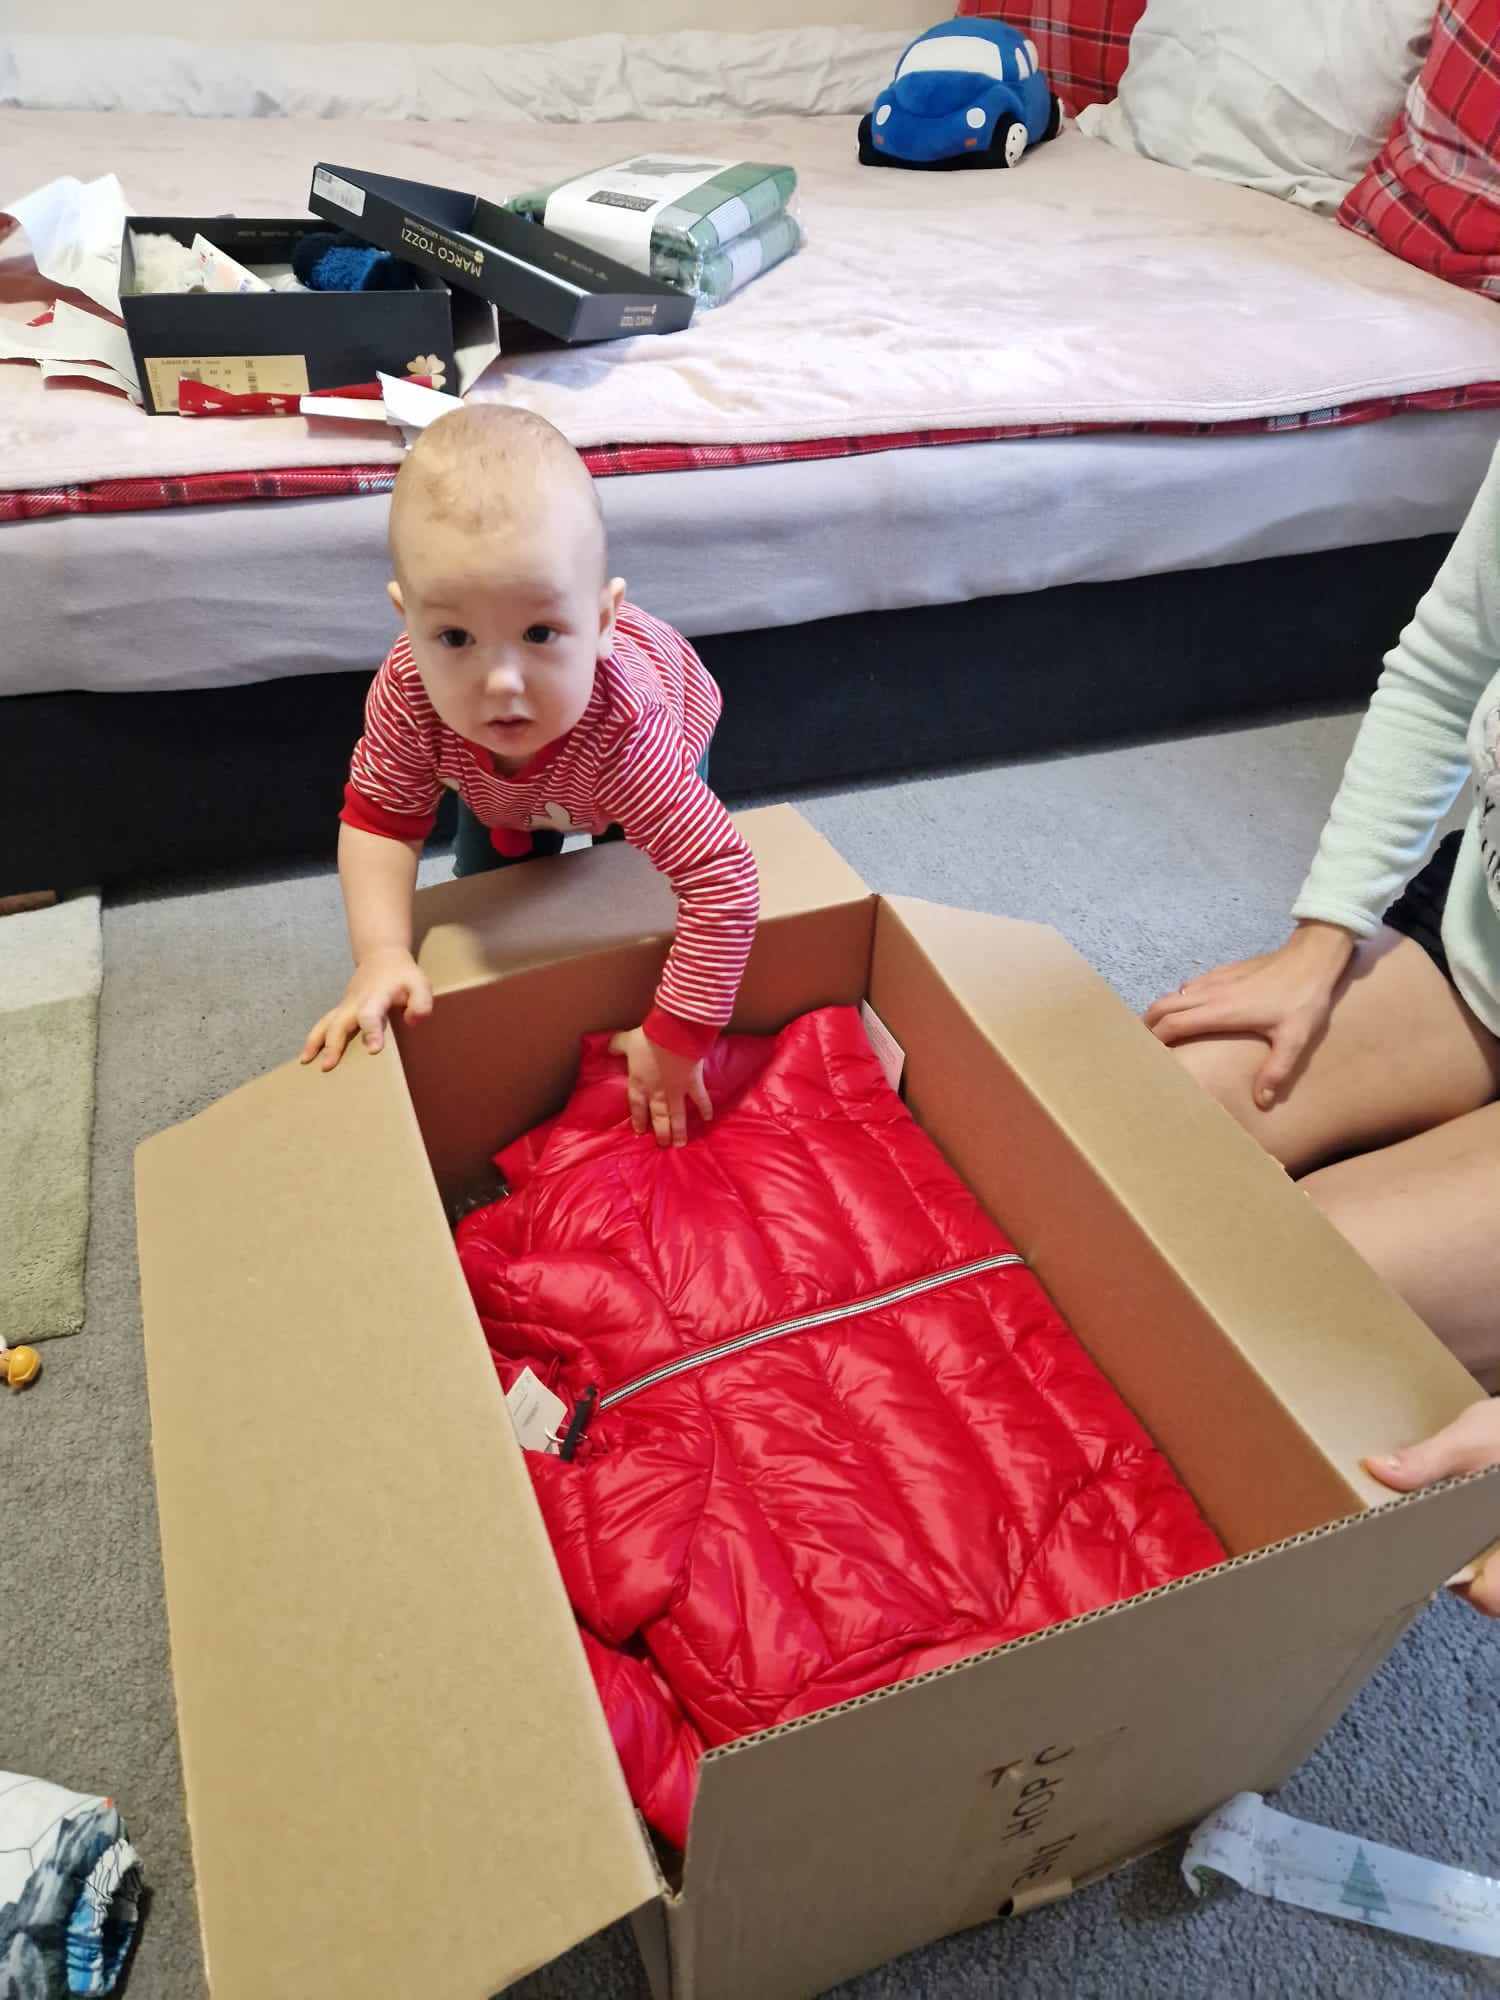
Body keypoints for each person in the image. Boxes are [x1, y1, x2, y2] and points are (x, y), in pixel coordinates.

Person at [1145, 440, 1500, 1613]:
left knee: (1297, 1313)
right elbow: (1448, 666)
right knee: (1128, 1129)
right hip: (1481, 938)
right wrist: (1324, 932)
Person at [301, 404, 758, 1147]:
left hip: (631, 750)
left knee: (628, 890)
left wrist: (678, 1039)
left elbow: (723, 883)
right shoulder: (410, 690)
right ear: (407, 621)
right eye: (455, 636)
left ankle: (593, 832)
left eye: (540, 632)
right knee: (493, 888)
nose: (501, 684)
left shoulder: (633, 729)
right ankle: (518, 814)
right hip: (495, 782)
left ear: (604, 622)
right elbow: (380, 822)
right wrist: (381, 952)